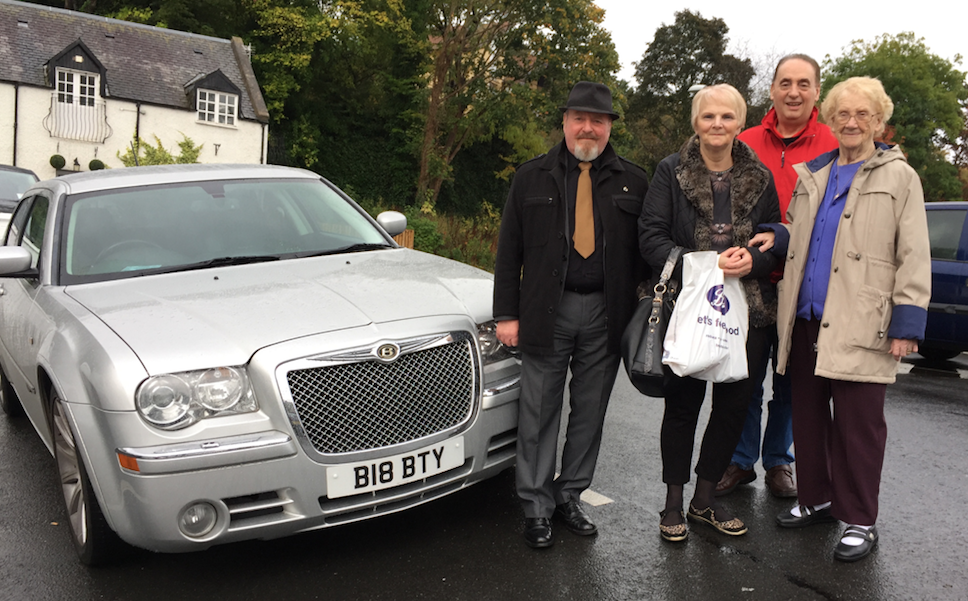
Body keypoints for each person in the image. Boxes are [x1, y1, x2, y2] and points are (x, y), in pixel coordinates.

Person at [755, 77, 931, 562]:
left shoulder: (900, 177)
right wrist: (778, 234)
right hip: (808, 318)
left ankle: (860, 519)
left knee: (858, 427)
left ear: (878, 121)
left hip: (863, 320)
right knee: (808, 419)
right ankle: (818, 499)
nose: (852, 123)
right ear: (829, 121)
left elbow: (914, 253)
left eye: (864, 115)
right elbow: (803, 233)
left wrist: (907, 323)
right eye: (843, 115)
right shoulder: (817, 174)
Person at [493, 82, 651, 549]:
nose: (588, 127)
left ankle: (569, 495)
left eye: (597, 120)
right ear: (564, 122)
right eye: (579, 118)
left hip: (607, 313)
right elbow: (508, 252)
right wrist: (507, 314)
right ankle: (537, 508)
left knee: (589, 413)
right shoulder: (531, 177)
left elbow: (647, 252)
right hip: (545, 310)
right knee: (538, 411)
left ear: (608, 128)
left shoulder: (633, 181)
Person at [638, 84, 780, 542]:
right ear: (695, 122)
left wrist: (753, 261)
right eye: (707, 117)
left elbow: (772, 239)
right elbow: (651, 236)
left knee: (733, 407)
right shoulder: (671, 171)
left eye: (726, 117)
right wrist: (703, 262)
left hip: (747, 309)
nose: (716, 125)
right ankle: (673, 504)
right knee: (682, 406)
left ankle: (705, 500)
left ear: (741, 122)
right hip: (687, 303)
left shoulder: (759, 174)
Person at [716, 55, 839, 498]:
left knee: (792, 382)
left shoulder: (833, 142)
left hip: (805, 283)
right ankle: (741, 459)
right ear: (770, 90)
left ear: (816, 92)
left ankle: (778, 461)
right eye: (785, 82)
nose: (793, 91)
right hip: (747, 283)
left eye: (803, 83)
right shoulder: (744, 140)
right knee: (744, 380)